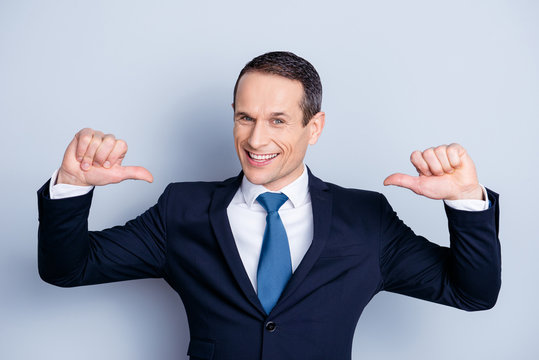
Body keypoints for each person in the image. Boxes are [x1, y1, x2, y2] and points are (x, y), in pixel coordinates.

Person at [37, 51, 501, 360]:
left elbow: (472, 293)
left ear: (313, 127)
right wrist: (73, 188)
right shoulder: (183, 209)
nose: (256, 140)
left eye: (278, 120)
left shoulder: (366, 219)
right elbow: (68, 268)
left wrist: (465, 204)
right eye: (245, 117)